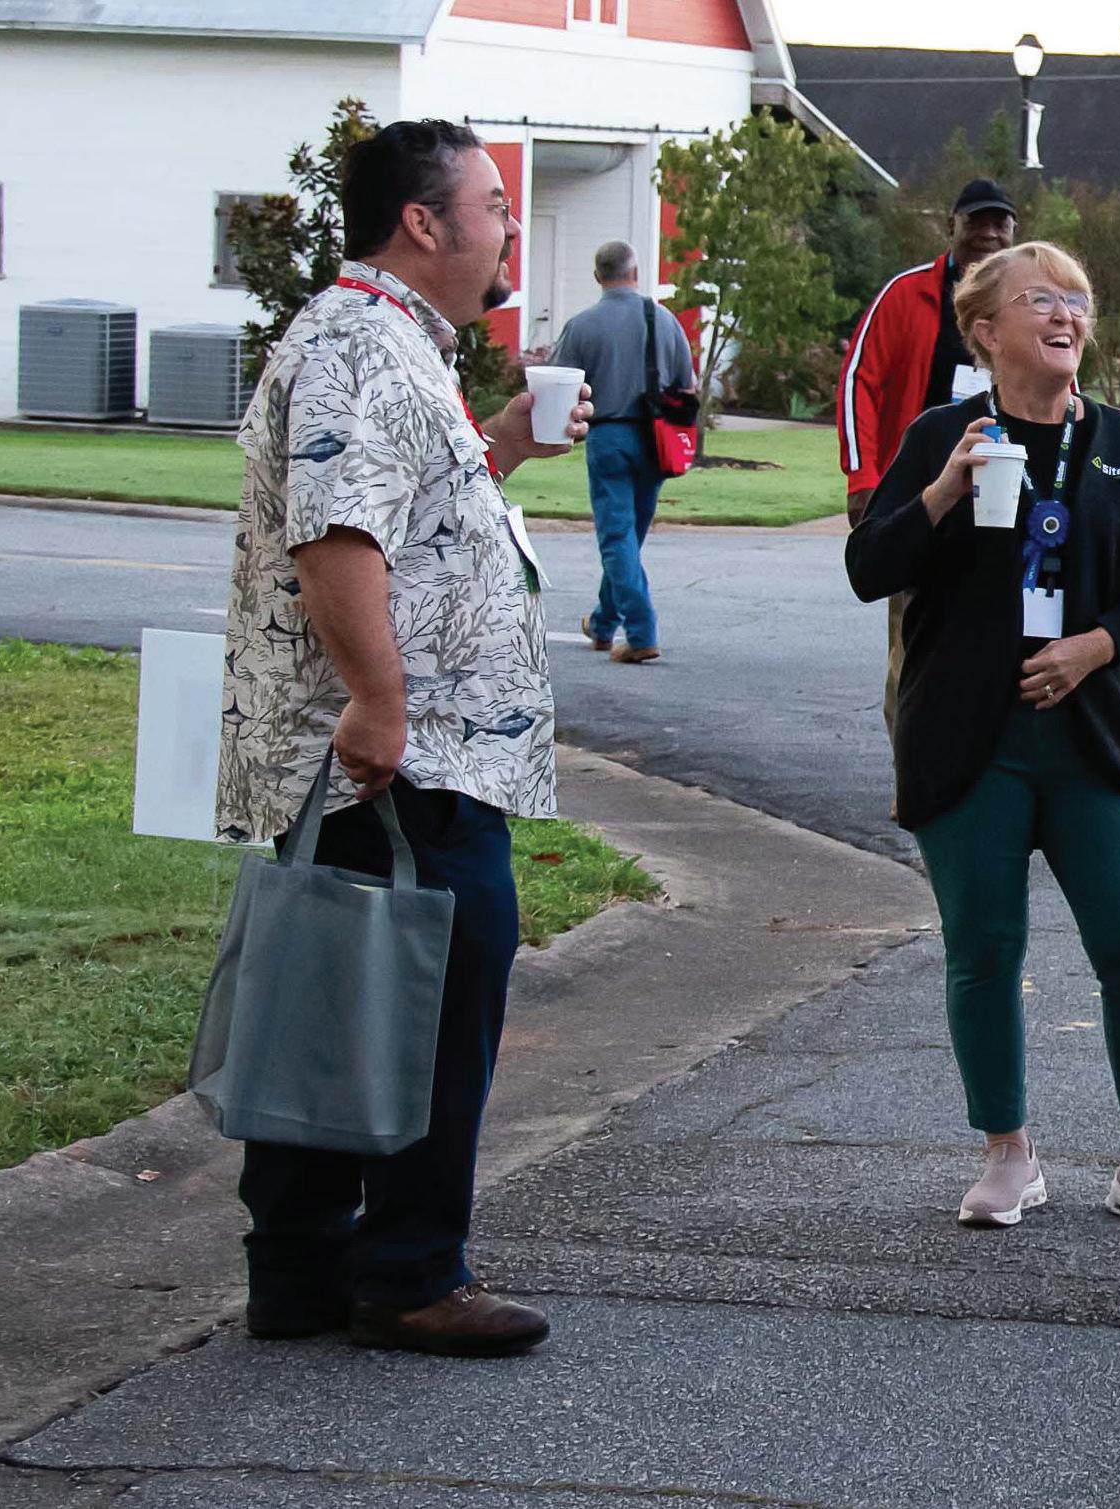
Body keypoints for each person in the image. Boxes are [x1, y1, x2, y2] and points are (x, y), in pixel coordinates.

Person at [216, 119, 593, 1358]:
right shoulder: (361, 344)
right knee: (432, 998)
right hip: (405, 758)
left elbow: (403, 518)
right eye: (492, 207)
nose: (508, 230)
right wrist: (377, 703)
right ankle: (410, 1273)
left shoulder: (385, 342)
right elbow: (337, 536)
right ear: (423, 223)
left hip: (404, 754)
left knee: (333, 996)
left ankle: (302, 1275)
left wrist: (505, 446)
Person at [847, 242, 1120, 1233]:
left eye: (1077, 298)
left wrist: (1097, 645)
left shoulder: (1118, 441)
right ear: (984, 332)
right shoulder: (942, 436)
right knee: (983, 950)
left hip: (1094, 737)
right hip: (966, 740)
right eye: (1041, 299)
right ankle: (1007, 1155)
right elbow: (868, 568)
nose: (1067, 313)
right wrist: (943, 490)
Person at [837, 179, 1017, 738]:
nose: (988, 233)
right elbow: (859, 381)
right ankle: (911, 765)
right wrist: (863, 476)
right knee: (911, 640)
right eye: (976, 221)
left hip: (1004, 493)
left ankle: (985, 759)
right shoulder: (906, 293)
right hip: (924, 493)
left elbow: (1063, 387)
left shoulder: (1028, 303)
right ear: (951, 226)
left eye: (1000, 223)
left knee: (1002, 633)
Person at [551, 239, 697, 665]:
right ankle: (602, 623)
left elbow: (558, 385)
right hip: (656, 439)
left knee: (617, 537)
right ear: (635, 273)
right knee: (630, 537)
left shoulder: (582, 326)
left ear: (598, 276)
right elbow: (687, 386)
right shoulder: (665, 320)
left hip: (608, 436)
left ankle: (641, 633)